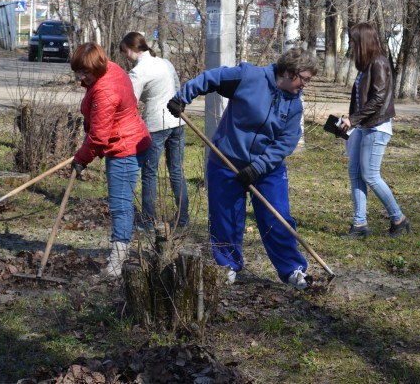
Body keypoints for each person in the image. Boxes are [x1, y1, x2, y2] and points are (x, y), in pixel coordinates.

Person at [167, 47, 317, 290]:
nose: (305, 85)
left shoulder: (294, 104)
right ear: (290, 73)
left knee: (277, 218)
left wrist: (258, 167)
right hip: (226, 160)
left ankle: (292, 269)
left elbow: (286, 142)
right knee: (225, 217)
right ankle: (228, 266)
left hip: (267, 169)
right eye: (305, 79)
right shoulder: (249, 77)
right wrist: (183, 96)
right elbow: (210, 79)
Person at [70, 42, 151, 277]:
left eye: (85, 73)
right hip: (131, 137)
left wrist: (81, 159)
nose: (82, 78)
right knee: (122, 204)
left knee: (120, 206)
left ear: (97, 66)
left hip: (123, 148)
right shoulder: (111, 68)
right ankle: (121, 255)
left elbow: (98, 137)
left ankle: (117, 263)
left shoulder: (105, 91)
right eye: (79, 72)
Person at [338, 22, 410, 239]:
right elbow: (361, 98)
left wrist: (353, 119)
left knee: (370, 175)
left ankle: (398, 218)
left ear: (363, 41)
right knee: (355, 173)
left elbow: (378, 99)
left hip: (377, 127)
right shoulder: (367, 65)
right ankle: (359, 225)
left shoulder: (378, 62)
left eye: (353, 41)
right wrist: (350, 121)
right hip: (364, 126)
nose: (351, 45)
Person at [119, 32, 189, 231]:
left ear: (132, 50)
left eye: (125, 53)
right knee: (176, 170)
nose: (126, 57)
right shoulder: (165, 63)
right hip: (177, 121)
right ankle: (183, 218)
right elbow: (177, 89)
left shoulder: (138, 72)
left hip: (156, 125)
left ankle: (148, 221)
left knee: (149, 173)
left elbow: (128, 101)